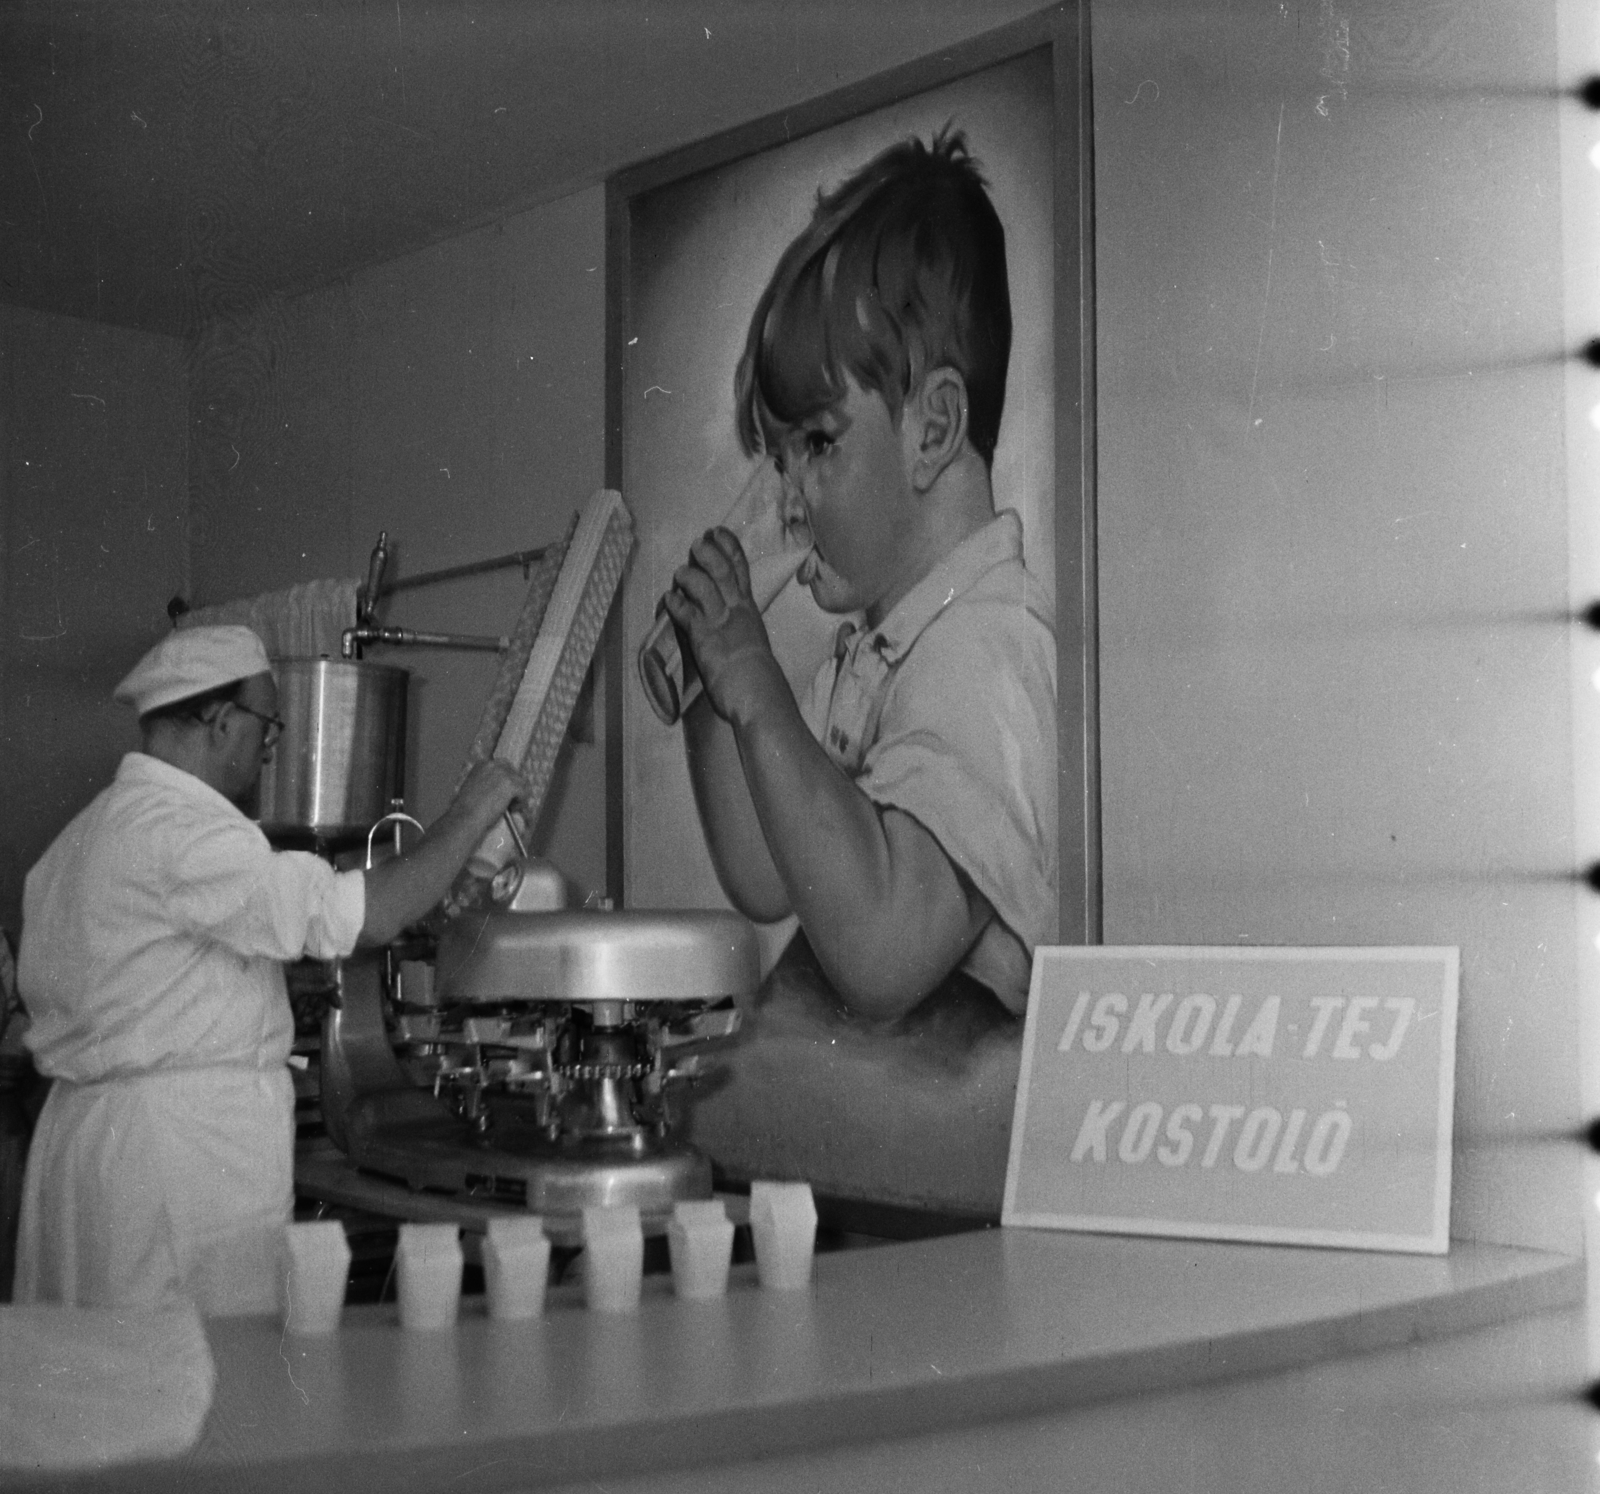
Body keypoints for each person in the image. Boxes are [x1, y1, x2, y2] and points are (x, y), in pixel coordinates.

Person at [663, 129, 1057, 1025]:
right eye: (778, 456)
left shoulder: (987, 651)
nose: (788, 498)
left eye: (817, 445)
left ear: (933, 430)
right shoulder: (882, 652)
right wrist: (710, 689)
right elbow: (769, 874)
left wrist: (755, 690)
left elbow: (882, 951)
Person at [12, 624, 522, 1315]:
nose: (272, 744)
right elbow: (359, 918)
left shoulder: (86, 837)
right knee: (200, 1386)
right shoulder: (188, 833)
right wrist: (468, 815)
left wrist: (424, 882)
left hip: (96, 1148)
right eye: (268, 725)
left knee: (110, 1388)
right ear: (222, 723)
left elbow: (208, 952)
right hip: (178, 1161)